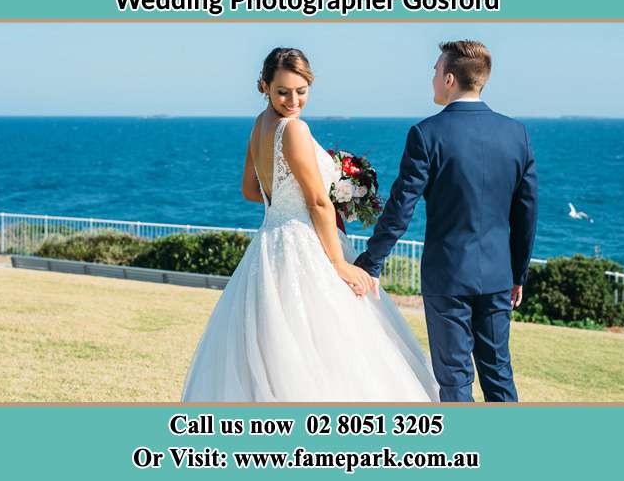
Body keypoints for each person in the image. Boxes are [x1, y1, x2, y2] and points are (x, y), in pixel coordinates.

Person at [181, 47, 439, 402]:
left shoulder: (260, 125)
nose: (292, 100)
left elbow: (251, 190)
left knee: (274, 340)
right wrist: (338, 263)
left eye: (300, 91)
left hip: (269, 243)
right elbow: (318, 200)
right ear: (264, 86)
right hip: (306, 244)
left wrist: (288, 200)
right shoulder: (294, 129)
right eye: (282, 91)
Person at [355, 40, 538, 402]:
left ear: (451, 79)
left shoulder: (426, 134)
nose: (433, 78)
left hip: (448, 276)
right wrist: (518, 274)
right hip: (499, 277)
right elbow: (527, 211)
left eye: (436, 71)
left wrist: (370, 262)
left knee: (454, 382)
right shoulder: (516, 133)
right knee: (499, 374)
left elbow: (400, 208)